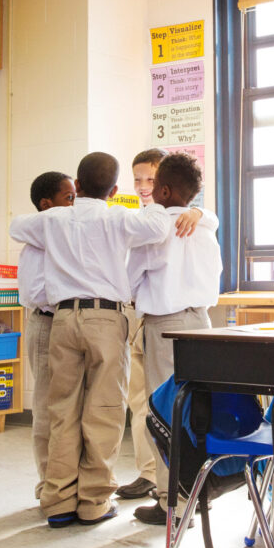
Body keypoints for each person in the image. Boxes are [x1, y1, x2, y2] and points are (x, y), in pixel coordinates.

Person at [9, 152, 171, 528]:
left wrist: (50, 217)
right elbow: (160, 226)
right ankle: (94, 501)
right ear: (114, 190)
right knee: (104, 411)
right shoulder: (118, 217)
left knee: (61, 410)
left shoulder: (52, 218)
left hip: (63, 318)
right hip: (106, 318)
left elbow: (17, 227)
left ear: (77, 186)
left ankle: (59, 501)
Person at [127, 152, 222, 525]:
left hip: (165, 325)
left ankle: (172, 500)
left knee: (163, 412)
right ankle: (200, 492)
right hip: (201, 322)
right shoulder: (204, 226)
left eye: (151, 184)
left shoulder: (153, 228)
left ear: (163, 189)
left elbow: (129, 280)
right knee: (197, 411)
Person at [19, 171, 75, 500]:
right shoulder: (40, 234)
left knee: (67, 408)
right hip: (46, 321)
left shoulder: (64, 232)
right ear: (46, 204)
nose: (74, 204)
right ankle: (47, 485)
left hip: (69, 322)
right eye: (68, 197)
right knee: (46, 406)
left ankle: (64, 481)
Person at [116, 149, 167, 501]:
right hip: (137, 315)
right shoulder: (139, 215)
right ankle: (148, 472)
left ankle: (167, 477)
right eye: (138, 179)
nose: (143, 186)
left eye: (151, 179)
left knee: (162, 401)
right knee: (138, 399)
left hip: (162, 317)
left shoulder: (180, 217)